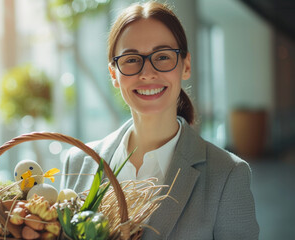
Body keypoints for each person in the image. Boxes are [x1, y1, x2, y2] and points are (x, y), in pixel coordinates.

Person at [60, 1, 259, 239]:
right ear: (114, 74)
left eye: (163, 56)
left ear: (185, 66)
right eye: (132, 59)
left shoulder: (227, 175)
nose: (147, 73)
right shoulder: (78, 162)